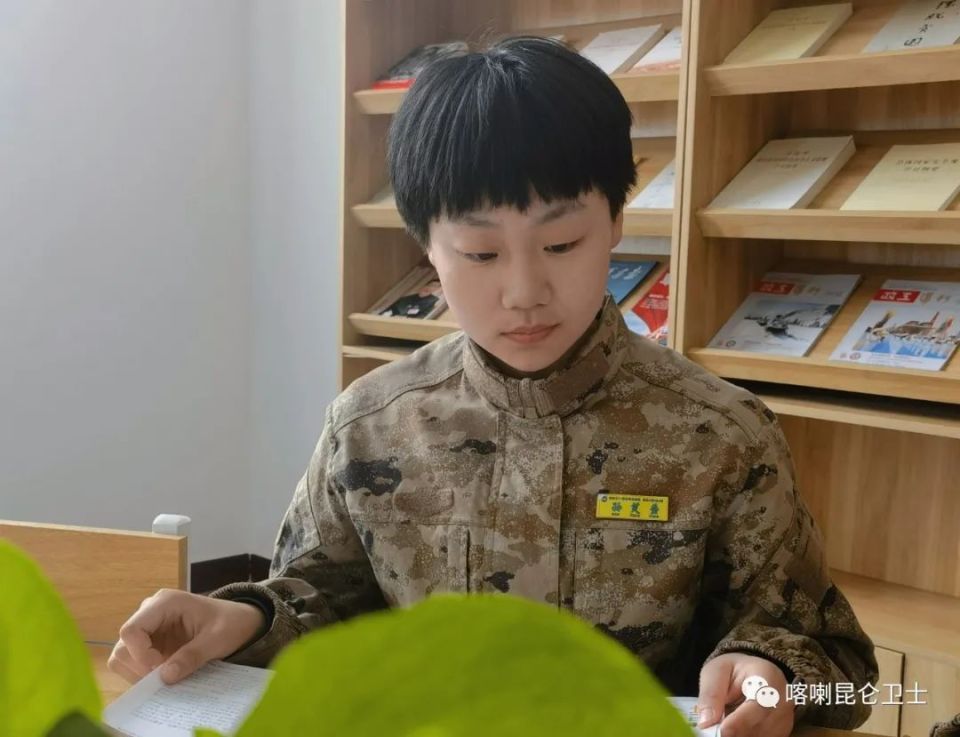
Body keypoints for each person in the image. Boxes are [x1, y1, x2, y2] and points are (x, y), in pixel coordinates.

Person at [109, 37, 877, 736]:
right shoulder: (372, 424)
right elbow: (319, 599)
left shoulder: (723, 435)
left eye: (561, 242)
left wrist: (772, 673)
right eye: (480, 253)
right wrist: (242, 615)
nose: (524, 291)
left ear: (617, 219)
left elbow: (845, 669)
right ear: (426, 248)